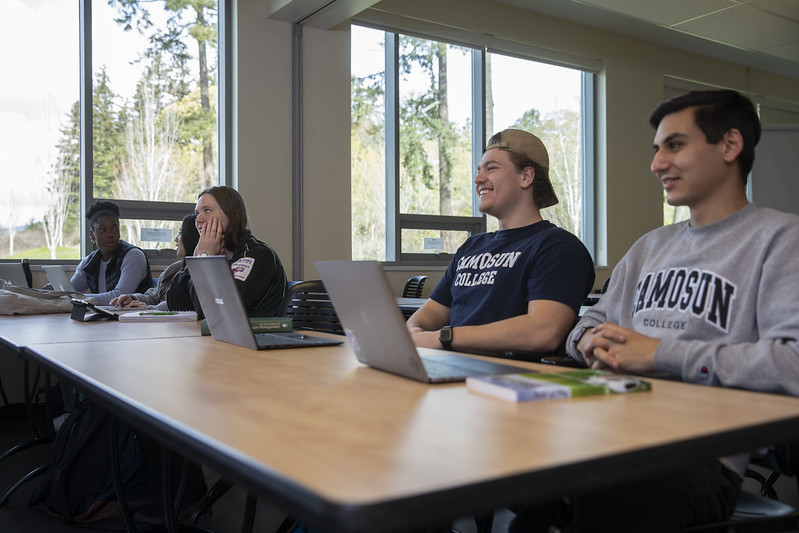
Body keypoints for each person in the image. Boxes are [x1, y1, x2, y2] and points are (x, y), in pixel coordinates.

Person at [511, 90, 799, 532]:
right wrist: (587, 340)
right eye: (656, 149)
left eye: (675, 145)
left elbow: (792, 363)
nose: (657, 164)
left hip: (693, 456)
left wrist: (660, 353)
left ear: (730, 145)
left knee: (595, 506)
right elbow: (590, 321)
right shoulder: (651, 246)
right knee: (525, 497)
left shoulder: (779, 240)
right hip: (607, 432)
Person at [406, 129, 595, 357]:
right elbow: (431, 313)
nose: (478, 179)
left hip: (507, 379)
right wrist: (412, 333)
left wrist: (444, 338)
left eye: (491, 168)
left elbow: (543, 331)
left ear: (526, 177)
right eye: (478, 170)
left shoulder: (558, 247)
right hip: (451, 367)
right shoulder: (471, 247)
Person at [166, 185, 287, 317]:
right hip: (219, 335)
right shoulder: (216, 254)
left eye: (207, 210)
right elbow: (176, 306)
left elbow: (216, 311)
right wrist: (196, 262)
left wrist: (204, 259)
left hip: (257, 336)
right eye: (197, 213)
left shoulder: (257, 255)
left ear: (233, 213)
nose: (198, 219)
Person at [70, 200, 153, 305]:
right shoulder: (88, 262)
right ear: (92, 235)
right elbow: (70, 291)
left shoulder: (133, 256)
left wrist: (76, 297)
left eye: (114, 229)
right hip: (106, 317)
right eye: (103, 230)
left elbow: (119, 297)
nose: (110, 234)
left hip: (134, 317)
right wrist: (52, 292)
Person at [110, 214, 200, 310]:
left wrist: (149, 309)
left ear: (191, 237)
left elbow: (178, 306)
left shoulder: (200, 274)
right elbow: (154, 296)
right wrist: (133, 298)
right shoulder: (172, 269)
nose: (176, 239)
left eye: (180, 233)